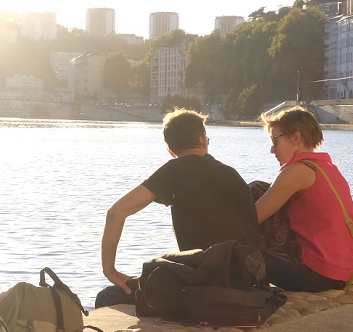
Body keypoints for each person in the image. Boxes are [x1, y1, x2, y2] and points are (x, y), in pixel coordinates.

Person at [100, 108, 260, 301]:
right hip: (251, 275)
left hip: (212, 280)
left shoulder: (175, 170)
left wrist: (111, 272)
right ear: (203, 139)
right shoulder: (230, 172)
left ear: (171, 150)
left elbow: (116, 212)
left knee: (108, 296)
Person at [252, 107, 353, 292]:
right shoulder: (328, 168)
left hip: (316, 277)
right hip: (342, 273)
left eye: (275, 140)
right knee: (263, 191)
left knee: (255, 190)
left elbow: (251, 219)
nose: (272, 149)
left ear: (295, 138)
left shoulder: (296, 171)